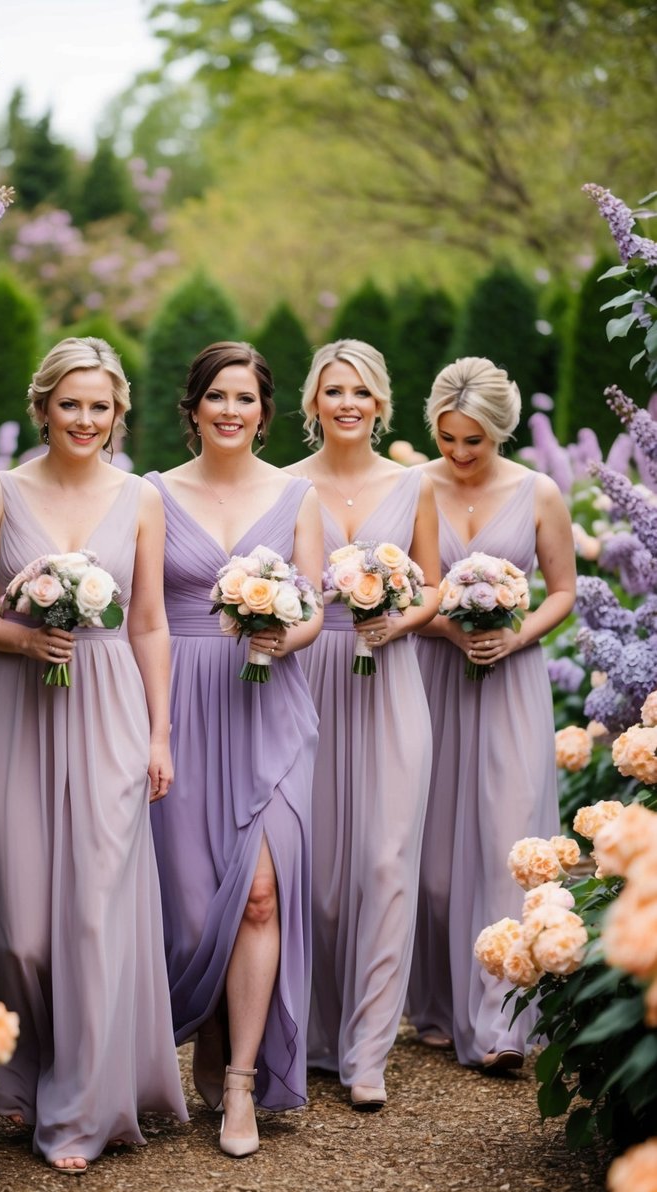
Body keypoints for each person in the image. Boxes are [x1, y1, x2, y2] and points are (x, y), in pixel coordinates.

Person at [0, 337, 187, 1173]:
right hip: (22, 709)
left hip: (113, 709)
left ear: (118, 414)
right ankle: (27, 1071)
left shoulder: (142, 500)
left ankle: (83, 1110)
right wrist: (21, 638)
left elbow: (150, 623)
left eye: (100, 406)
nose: (85, 420)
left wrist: (159, 734)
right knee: (22, 935)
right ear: (42, 406)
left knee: (92, 914)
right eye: (70, 404)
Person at [146, 341, 323, 1158]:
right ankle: (210, 1027)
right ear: (192, 409)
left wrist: (285, 634)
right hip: (180, 699)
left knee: (259, 895)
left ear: (264, 410)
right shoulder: (150, 495)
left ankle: (243, 1081)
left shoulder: (297, 495)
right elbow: (139, 614)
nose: (229, 411)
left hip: (268, 701)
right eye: (215, 396)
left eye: (244, 398)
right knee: (189, 908)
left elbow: (316, 604)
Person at [407, 355, 576, 1071]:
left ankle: (503, 1021)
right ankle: (439, 1005)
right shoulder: (416, 487)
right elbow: (414, 591)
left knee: (509, 840)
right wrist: (452, 628)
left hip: (509, 680)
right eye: (447, 438)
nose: (457, 453)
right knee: (436, 856)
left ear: (499, 433)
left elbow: (562, 592)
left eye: (471, 440)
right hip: (434, 674)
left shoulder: (538, 494)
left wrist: (512, 637)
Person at [286, 339, 439, 1109]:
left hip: (389, 682)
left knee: (384, 862)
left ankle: (369, 1050)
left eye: (360, 391)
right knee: (316, 876)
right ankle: (313, 1038)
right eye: (332, 390)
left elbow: (434, 586)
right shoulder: (282, 487)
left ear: (380, 403)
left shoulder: (413, 485)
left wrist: (398, 619)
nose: (347, 402)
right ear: (313, 403)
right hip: (309, 681)